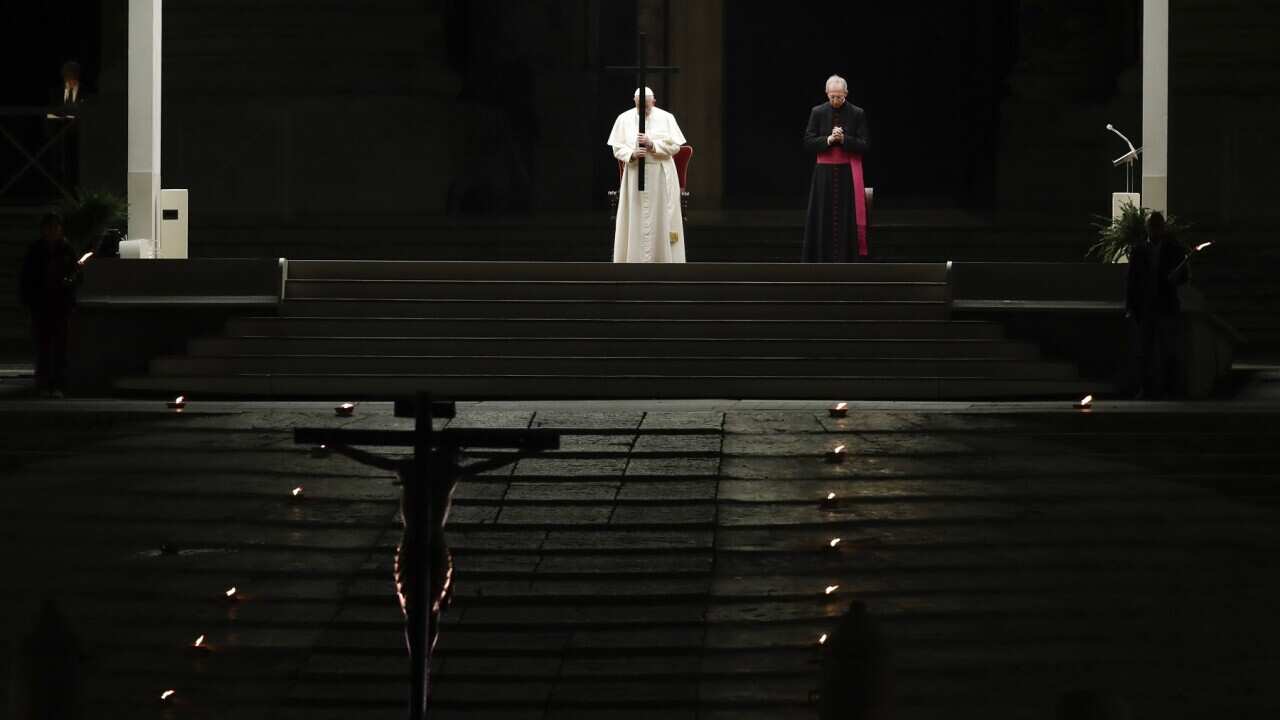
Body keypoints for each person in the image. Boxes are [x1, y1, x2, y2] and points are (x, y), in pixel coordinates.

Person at [607, 87, 687, 263]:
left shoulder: (667, 118)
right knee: (634, 218)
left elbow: (675, 147)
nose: (643, 110)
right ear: (634, 101)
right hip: (635, 174)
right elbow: (617, 148)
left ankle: (663, 261)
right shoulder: (624, 118)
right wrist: (632, 154)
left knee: (661, 219)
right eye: (639, 106)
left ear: (654, 101)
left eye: (647, 106)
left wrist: (653, 145)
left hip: (661, 174)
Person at [803, 75, 870, 262]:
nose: (835, 100)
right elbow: (808, 142)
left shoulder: (857, 113)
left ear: (846, 93)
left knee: (845, 219)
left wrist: (844, 140)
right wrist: (829, 140)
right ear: (826, 93)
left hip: (847, 174)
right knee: (822, 216)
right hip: (823, 176)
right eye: (832, 96)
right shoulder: (817, 112)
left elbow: (865, 144)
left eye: (839, 97)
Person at [1125, 211, 1188, 399]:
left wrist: (1176, 278)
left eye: (1158, 227)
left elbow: (1183, 276)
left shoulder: (1174, 250)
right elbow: (1132, 280)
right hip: (1146, 306)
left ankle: (1169, 389)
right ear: (1148, 228)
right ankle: (1146, 389)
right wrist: (1131, 306)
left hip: (1166, 305)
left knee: (1168, 351)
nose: (1155, 230)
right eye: (1152, 227)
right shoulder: (1139, 250)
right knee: (1145, 352)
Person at [19, 213, 82, 398]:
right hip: (41, 304)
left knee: (59, 347)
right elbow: (27, 279)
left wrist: (70, 283)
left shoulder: (66, 249)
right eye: (49, 228)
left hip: (60, 304)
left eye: (55, 228)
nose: (53, 231)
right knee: (43, 346)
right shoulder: (36, 250)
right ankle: (44, 385)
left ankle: (58, 385)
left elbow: (76, 275)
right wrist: (28, 303)